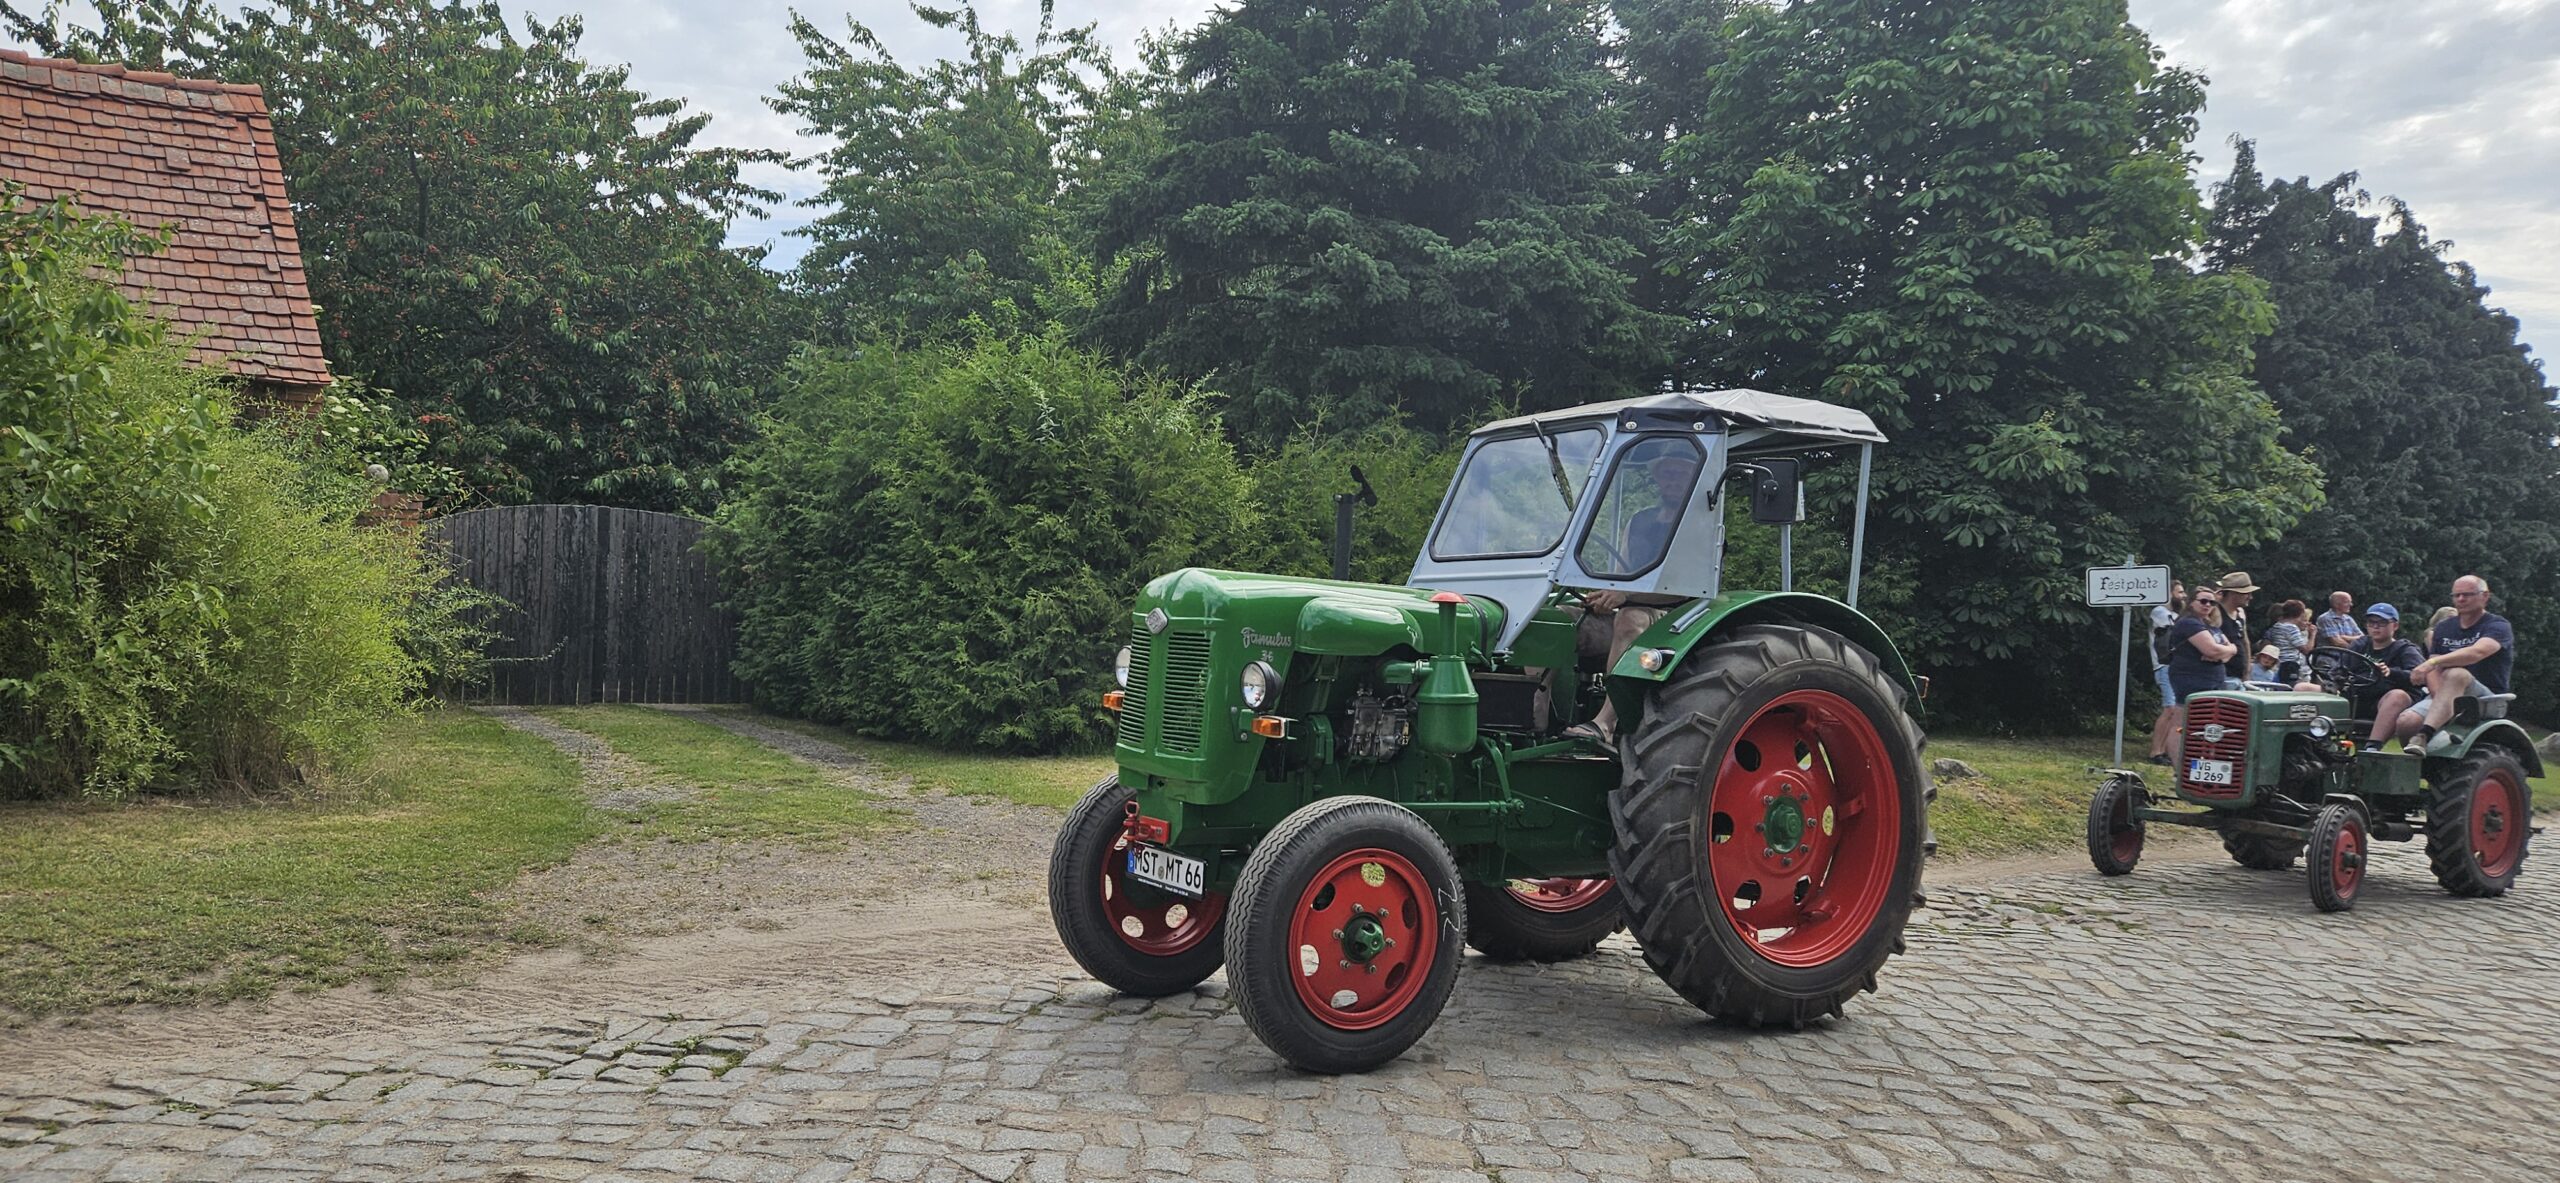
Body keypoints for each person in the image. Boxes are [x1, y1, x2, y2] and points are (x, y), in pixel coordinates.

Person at [2381, 575, 2516, 753]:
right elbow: (2434, 670)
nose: (2461, 599)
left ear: (2485, 596)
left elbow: (2477, 652)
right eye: (2456, 595)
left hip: (2484, 698)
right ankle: (2415, 759)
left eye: (2467, 594)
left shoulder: (2498, 625)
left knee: (2456, 674)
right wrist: (2441, 701)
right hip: (2444, 693)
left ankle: (2424, 735)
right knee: (2407, 722)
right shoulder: (2444, 628)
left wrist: (2432, 662)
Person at [2324, 603, 2424, 747]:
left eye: (2382, 623)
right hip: (2355, 697)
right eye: (2371, 622)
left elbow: (2419, 677)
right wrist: (2333, 682)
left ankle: (2372, 747)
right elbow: (2340, 668)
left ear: (2395, 626)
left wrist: (2391, 672)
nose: (2376, 627)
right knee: (2304, 688)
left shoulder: (2405, 649)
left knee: (2397, 696)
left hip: (2382, 702)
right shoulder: (2360, 645)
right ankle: (2308, 746)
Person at [2163, 589, 2239, 760]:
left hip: (2213, 680)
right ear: (2191, 602)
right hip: (2190, 679)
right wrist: (2220, 651)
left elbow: (2229, 651)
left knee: (2208, 726)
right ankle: (2179, 767)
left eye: (2212, 602)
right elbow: (2212, 650)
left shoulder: (2209, 626)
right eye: (2203, 601)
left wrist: (2227, 651)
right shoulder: (2188, 623)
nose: (2208, 605)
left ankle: (2201, 764)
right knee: (2180, 724)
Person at [2145, 581, 2187, 764]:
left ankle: (2166, 751)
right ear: (2168, 593)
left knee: (2175, 711)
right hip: (2164, 665)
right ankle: (2156, 751)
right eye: (2180, 592)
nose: (2184, 596)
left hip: (2177, 666)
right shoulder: (2160, 612)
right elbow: (2176, 631)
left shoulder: (2177, 615)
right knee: (2169, 709)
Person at [2211, 572, 2258, 688]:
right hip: (2223, 676)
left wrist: (2247, 670)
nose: (2250, 597)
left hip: (2239, 676)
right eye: (2246, 593)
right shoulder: (2216, 612)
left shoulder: (2240, 613)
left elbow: (2245, 641)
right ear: (2233, 594)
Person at [2263, 599, 2311, 685]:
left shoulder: (2277, 625)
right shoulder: (2291, 628)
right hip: (2290, 664)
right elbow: (2306, 650)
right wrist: (2313, 635)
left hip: (2278, 663)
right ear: (2300, 613)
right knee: (2289, 687)